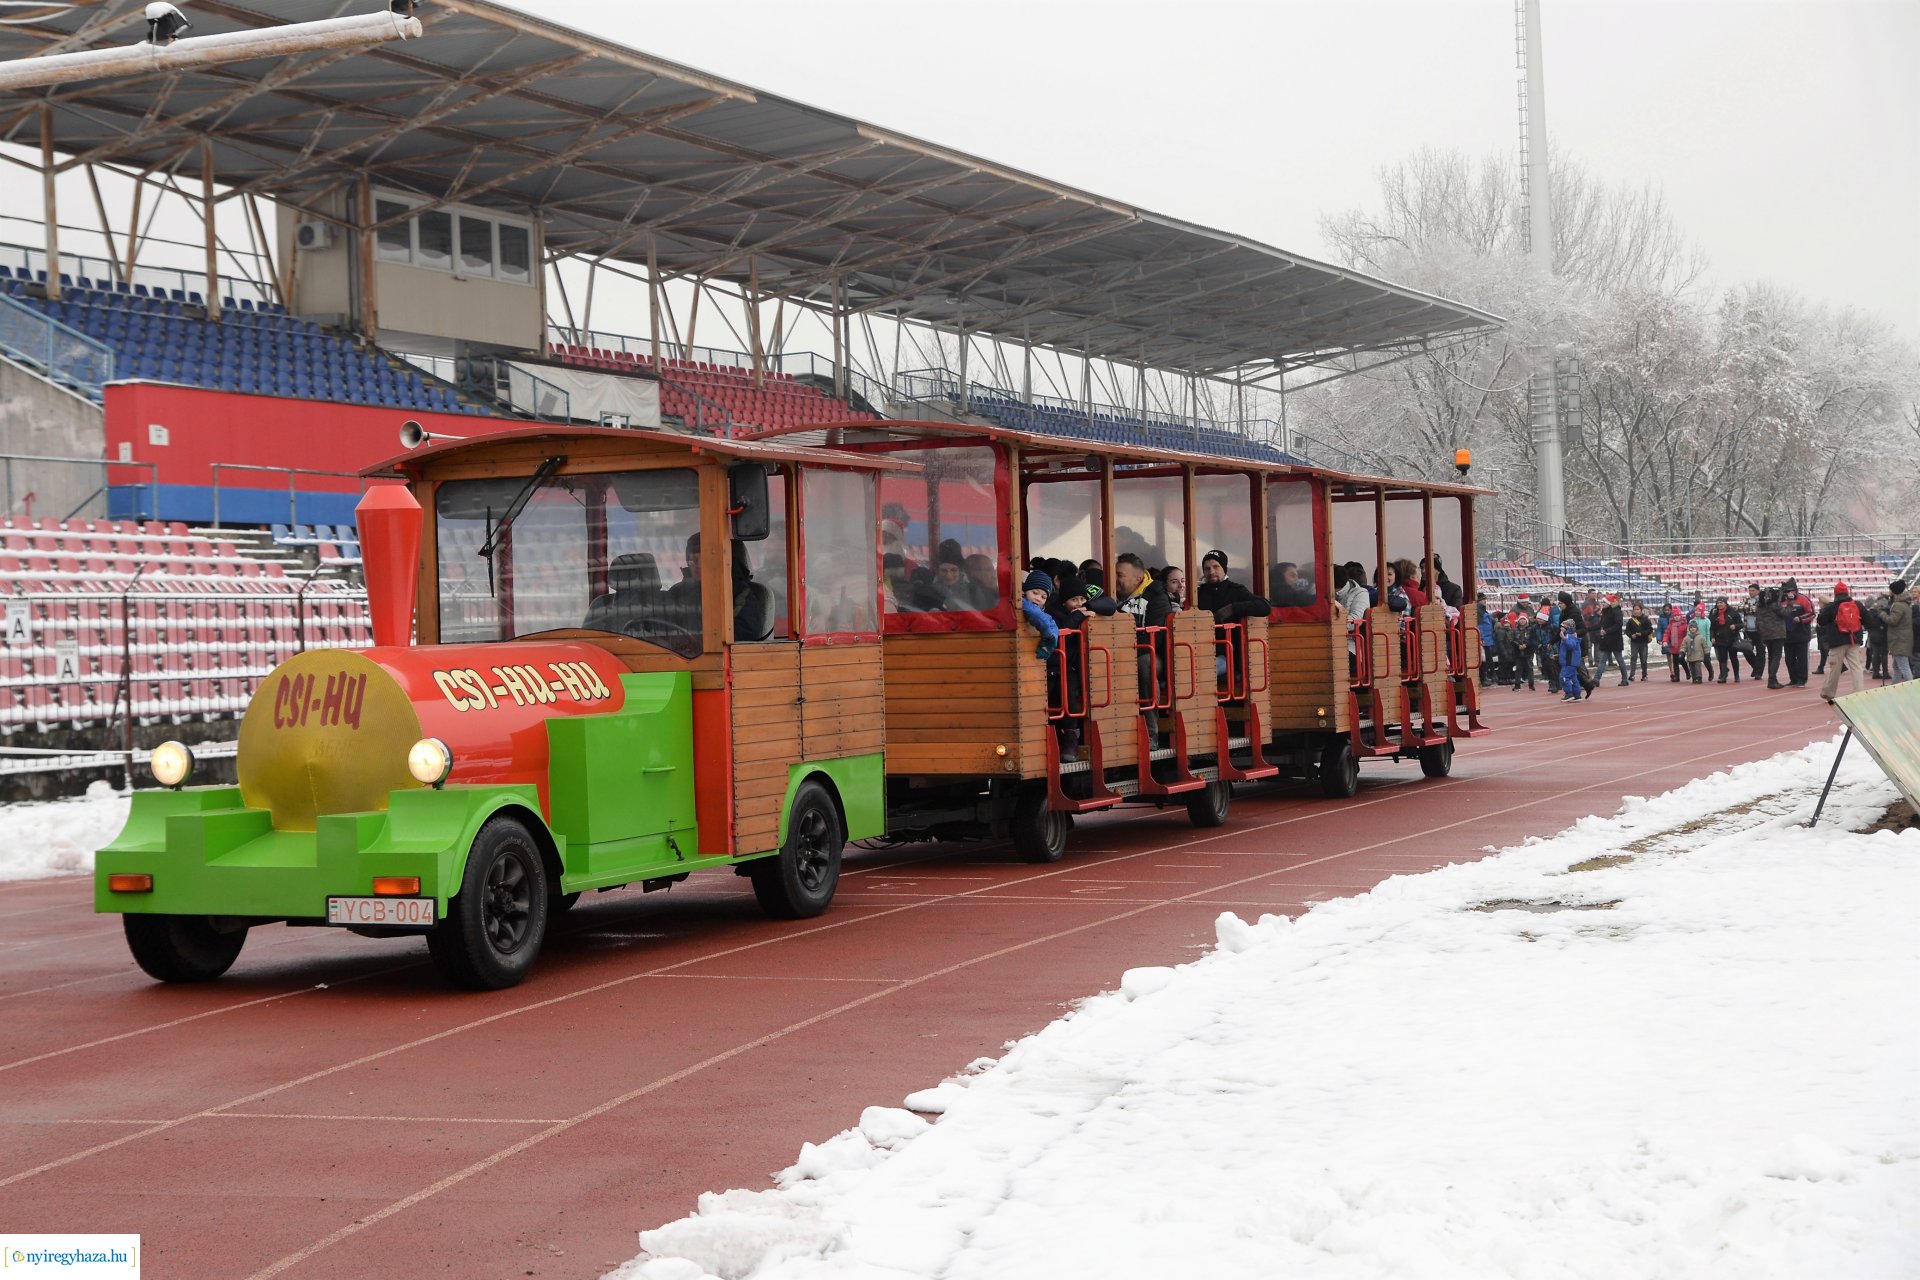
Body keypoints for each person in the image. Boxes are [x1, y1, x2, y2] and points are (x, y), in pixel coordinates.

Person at [1115, 552, 1172, 742]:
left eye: (1120, 575)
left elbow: (1155, 639)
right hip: (1116, 653)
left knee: (1145, 663)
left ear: (1137, 578)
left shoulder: (1156, 596)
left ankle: (1151, 732)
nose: (1115, 579)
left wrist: (1127, 652)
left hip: (1151, 655)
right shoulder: (1109, 596)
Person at [1816, 581, 1868, 703]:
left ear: (1835, 593)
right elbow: (1867, 620)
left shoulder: (1831, 606)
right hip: (1854, 640)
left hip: (1837, 641)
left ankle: (1829, 692)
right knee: (1856, 667)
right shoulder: (1857, 604)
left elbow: (1821, 621)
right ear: (1847, 592)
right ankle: (1859, 692)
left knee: (1835, 667)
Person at [1782, 578, 1814, 687]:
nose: (1789, 593)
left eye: (1791, 591)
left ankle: (1802, 679)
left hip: (1802, 634)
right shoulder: (1782, 600)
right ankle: (1793, 679)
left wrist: (1800, 618)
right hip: (1787, 635)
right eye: (1787, 591)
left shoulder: (1804, 599)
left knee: (1802, 659)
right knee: (1789, 659)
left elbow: (1812, 614)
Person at [1020, 570, 1058, 660]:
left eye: (1043, 597)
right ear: (1025, 591)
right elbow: (1035, 614)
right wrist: (1048, 635)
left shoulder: (1043, 613)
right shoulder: (1022, 602)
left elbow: (1054, 626)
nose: (1038, 599)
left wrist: (1050, 644)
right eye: (1035, 593)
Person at [1756, 586, 1789, 688]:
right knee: (1776, 657)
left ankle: (1773, 680)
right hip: (1777, 634)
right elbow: (1786, 612)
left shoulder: (1759, 607)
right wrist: (1790, 602)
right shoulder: (1774, 606)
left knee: (1771, 656)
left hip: (1766, 634)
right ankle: (1772, 680)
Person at [1885, 580, 1914, 684]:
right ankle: (1894, 686)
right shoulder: (1905, 604)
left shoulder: (1898, 605)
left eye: (1890, 589)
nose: (1888, 591)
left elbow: (1892, 620)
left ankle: (1912, 688)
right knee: (1896, 667)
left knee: (1904, 666)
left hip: (1899, 640)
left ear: (1894, 591)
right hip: (1902, 639)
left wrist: (1881, 614)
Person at [1709, 596, 1743, 683]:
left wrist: (1735, 626)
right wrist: (1712, 637)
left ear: (1725, 603)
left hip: (1732, 638)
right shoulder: (1714, 613)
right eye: (1718, 603)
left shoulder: (1733, 612)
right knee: (1722, 659)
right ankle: (1723, 676)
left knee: (1733, 658)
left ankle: (1736, 675)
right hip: (1720, 639)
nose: (1719, 604)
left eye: (1721, 603)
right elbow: (1712, 627)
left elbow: (1741, 624)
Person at [1598, 594, 1628, 685]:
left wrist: (1606, 631)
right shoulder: (1605, 611)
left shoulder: (1616, 611)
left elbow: (1618, 625)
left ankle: (1625, 679)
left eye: (1604, 602)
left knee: (1619, 659)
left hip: (1615, 639)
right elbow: (1602, 624)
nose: (1602, 603)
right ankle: (1596, 679)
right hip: (1606, 640)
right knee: (1602, 660)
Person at [1625, 602, 1653, 682]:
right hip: (1634, 642)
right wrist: (1631, 635)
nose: (1636, 611)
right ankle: (1632, 675)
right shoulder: (1631, 621)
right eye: (1634, 609)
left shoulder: (1646, 619)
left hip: (1643, 642)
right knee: (1633, 657)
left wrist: (1642, 633)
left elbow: (1650, 629)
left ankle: (1644, 674)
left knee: (1643, 659)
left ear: (1641, 610)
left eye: (1638, 609)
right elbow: (1627, 631)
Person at [1558, 619, 1585, 702]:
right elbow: (1566, 649)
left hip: (1570, 661)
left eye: (1563, 626)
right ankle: (1577, 695)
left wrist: (1564, 639)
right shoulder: (1568, 635)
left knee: (1563, 677)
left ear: (1568, 628)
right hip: (1569, 661)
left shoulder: (1570, 635)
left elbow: (1572, 646)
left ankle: (1569, 693)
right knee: (1573, 678)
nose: (1561, 628)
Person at [1662, 604, 1690, 682]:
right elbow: (1666, 633)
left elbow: (1687, 634)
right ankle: (1677, 677)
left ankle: (1687, 671)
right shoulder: (1671, 625)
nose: (1676, 617)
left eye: (1678, 615)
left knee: (1681, 659)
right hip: (1674, 646)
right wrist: (1664, 641)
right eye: (1675, 615)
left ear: (1680, 615)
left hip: (1682, 646)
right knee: (1675, 662)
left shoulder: (1684, 624)